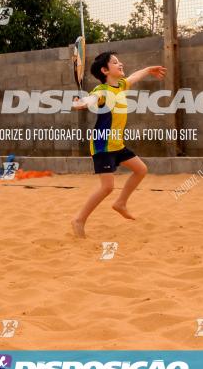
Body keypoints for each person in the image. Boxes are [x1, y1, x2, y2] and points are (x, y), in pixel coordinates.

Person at [70, 51, 166, 238]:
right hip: (102, 145)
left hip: (117, 144)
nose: (120, 64)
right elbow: (90, 100)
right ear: (105, 70)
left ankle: (120, 203)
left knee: (141, 169)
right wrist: (79, 103)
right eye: (115, 62)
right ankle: (79, 219)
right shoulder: (101, 91)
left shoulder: (121, 85)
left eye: (119, 61)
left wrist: (147, 69)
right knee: (107, 187)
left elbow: (133, 77)